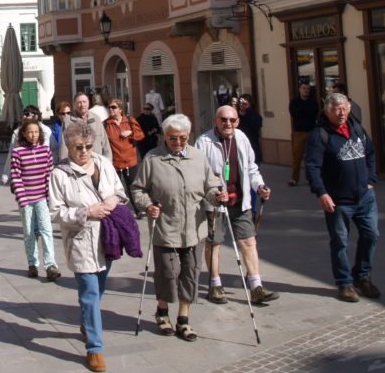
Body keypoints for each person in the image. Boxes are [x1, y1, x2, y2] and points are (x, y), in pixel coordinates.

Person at [132, 114, 223, 341]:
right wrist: (148, 205)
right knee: (167, 273)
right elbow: (138, 189)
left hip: (194, 228)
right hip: (166, 227)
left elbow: (210, 186)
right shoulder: (153, 158)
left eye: (183, 138)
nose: (178, 142)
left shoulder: (198, 157)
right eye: (173, 138)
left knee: (190, 273)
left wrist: (216, 196)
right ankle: (162, 311)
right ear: (165, 136)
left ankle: (184, 319)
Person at [49, 121, 127, 373]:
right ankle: (95, 348)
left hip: (108, 237)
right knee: (90, 292)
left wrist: (113, 200)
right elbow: (55, 212)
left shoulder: (103, 163)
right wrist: (86, 212)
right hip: (81, 239)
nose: (84, 151)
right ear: (69, 147)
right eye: (78, 147)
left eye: (88, 146)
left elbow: (119, 190)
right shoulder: (59, 174)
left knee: (99, 288)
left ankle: (86, 321)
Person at [196, 105, 278, 305]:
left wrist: (260, 186)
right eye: (223, 119)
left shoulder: (241, 138)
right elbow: (198, 175)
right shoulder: (204, 142)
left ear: (237, 122)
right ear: (216, 121)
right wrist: (214, 192)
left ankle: (256, 287)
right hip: (215, 203)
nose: (228, 123)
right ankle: (215, 285)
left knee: (249, 241)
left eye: (232, 120)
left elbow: (251, 168)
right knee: (214, 243)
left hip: (240, 201)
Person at [305, 92, 380, 303]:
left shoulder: (357, 128)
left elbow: (370, 153)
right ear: (327, 111)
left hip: (365, 197)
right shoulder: (320, 134)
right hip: (338, 200)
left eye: (344, 108)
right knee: (340, 242)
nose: (341, 113)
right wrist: (321, 193)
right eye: (336, 109)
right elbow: (312, 166)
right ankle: (345, 283)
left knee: (371, 235)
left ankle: (362, 276)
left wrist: (371, 179)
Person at [10, 117, 61, 281]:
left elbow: (48, 174)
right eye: (30, 132)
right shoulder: (18, 152)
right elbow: (16, 176)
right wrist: (22, 198)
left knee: (46, 230)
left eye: (36, 132)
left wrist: (48, 196)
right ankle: (32, 263)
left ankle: (50, 265)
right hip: (26, 199)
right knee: (29, 232)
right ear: (24, 134)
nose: (33, 135)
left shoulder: (45, 151)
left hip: (41, 198)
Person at [2, 105, 57, 185]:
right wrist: (6, 175)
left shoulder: (46, 131)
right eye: (24, 114)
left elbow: (54, 149)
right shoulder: (17, 132)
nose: (25, 116)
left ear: (36, 116)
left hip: (42, 171)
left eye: (28, 114)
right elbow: (11, 154)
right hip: (25, 172)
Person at [102, 99, 144, 199]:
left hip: (131, 163)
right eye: (109, 107)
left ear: (120, 109)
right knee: (116, 193)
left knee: (133, 191)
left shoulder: (129, 121)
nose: (110, 109)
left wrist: (131, 133)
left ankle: (138, 208)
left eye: (113, 107)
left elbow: (141, 135)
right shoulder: (106, 124)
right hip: (115, 164)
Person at [59, 93, 112, 161]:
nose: (82, 105)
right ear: (74, 104)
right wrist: (64, 163)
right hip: (77, 163)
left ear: (88, 103)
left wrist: (108, 161)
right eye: (79, 102)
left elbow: (105, 143)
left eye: (84, 102)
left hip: (96, 162)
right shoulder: (68, 121)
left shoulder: (96, 119)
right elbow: (64, 146)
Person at [288, 82, 319, 186]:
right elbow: (294, 114)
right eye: (304, 88)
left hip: (311, 131)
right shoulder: (294, 102)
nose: (306, 90)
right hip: (299, 132)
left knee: (310, 156)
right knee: (297, 156)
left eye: (308, 89)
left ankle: (310, 178)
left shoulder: (313, 102)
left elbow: (314, 113)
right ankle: (294, 178)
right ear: (300, 90)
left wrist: (303, 112)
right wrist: (305, 112)